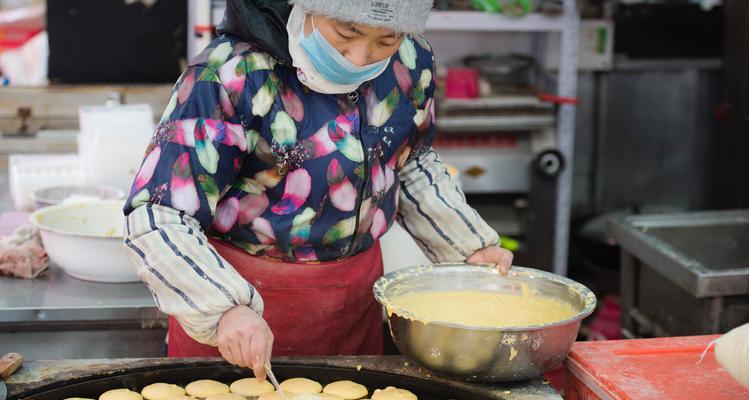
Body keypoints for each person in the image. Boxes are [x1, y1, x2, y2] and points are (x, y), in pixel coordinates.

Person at [123, 0, 513, 381]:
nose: (361, 57)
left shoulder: (410, 62)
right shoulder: (229, 74)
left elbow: (409, 161)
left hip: (354, 304)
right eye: (346, 31)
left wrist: (465, 246)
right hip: (237, 310)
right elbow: (158, 214)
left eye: (386, 39)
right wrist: (222, 308)